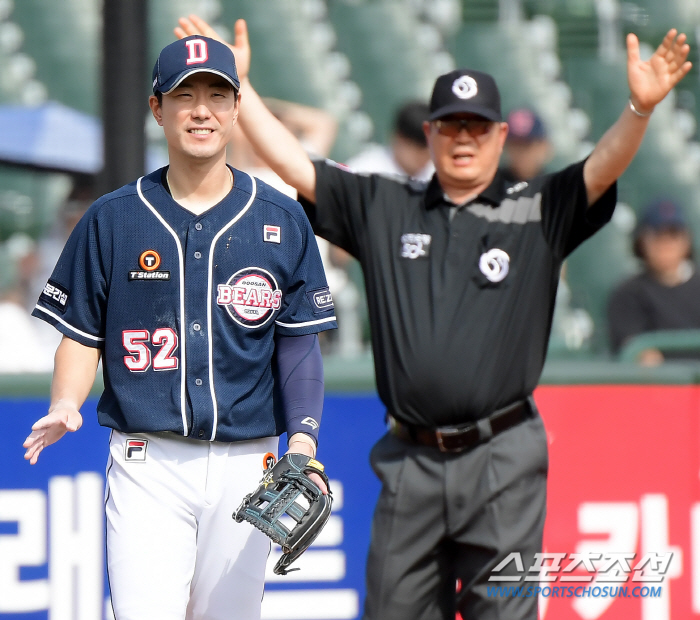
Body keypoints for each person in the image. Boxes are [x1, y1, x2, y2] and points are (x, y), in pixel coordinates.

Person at [176, 15, 691, 619]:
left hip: (503, 456)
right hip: (410, 458)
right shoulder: (385, 205)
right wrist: (242, 88)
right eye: (450, 126)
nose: (463, 138)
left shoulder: (536, 211)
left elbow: (600, 169)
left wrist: (637, 108)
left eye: (476, 126)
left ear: (500, 136)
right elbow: (297, 167)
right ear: (431, 133)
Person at [23, 35, 336, 620]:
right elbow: (81, 332)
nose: (201, 110)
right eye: (183, 95)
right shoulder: (112, 217)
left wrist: (304, 436)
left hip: (252, 463)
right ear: (156, 108)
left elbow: (298, 341)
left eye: (217, 95)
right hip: (149, 460)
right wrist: (67, 401)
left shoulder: (280, 217)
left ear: (236, 108)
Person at [608, 198, 700, 364]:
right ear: (641, 241)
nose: (665, 243)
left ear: (686, 239)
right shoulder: (628, 295)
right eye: (657, 235)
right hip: (661, 387)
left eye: (673, 234)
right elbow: (638, 354)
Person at [346, 100, 434, 181]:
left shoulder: (436, 173)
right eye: (420, 147)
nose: (426, 156)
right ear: (399, 138)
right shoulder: (364, 171)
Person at [501, 107, 552, 183]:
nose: (520, 152)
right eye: (515, 145)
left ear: (544, 147)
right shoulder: (489, 186)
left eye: (527, 145)